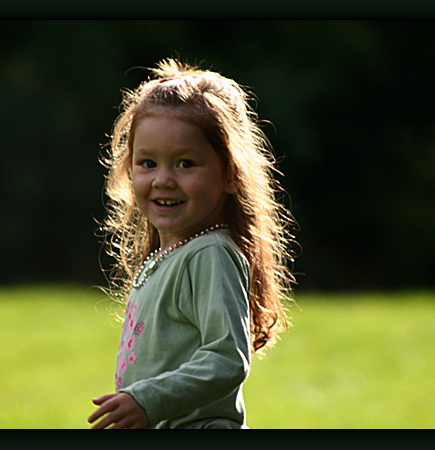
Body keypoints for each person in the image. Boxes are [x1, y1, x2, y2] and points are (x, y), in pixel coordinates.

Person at [88, 58, 296, 429]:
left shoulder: (210, 254)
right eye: (148, 162)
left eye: (185, 164)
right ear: (129, 169)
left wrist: (147, 400)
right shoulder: (175, 253)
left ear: (230, 174)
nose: (163, 179)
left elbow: (226, 358)